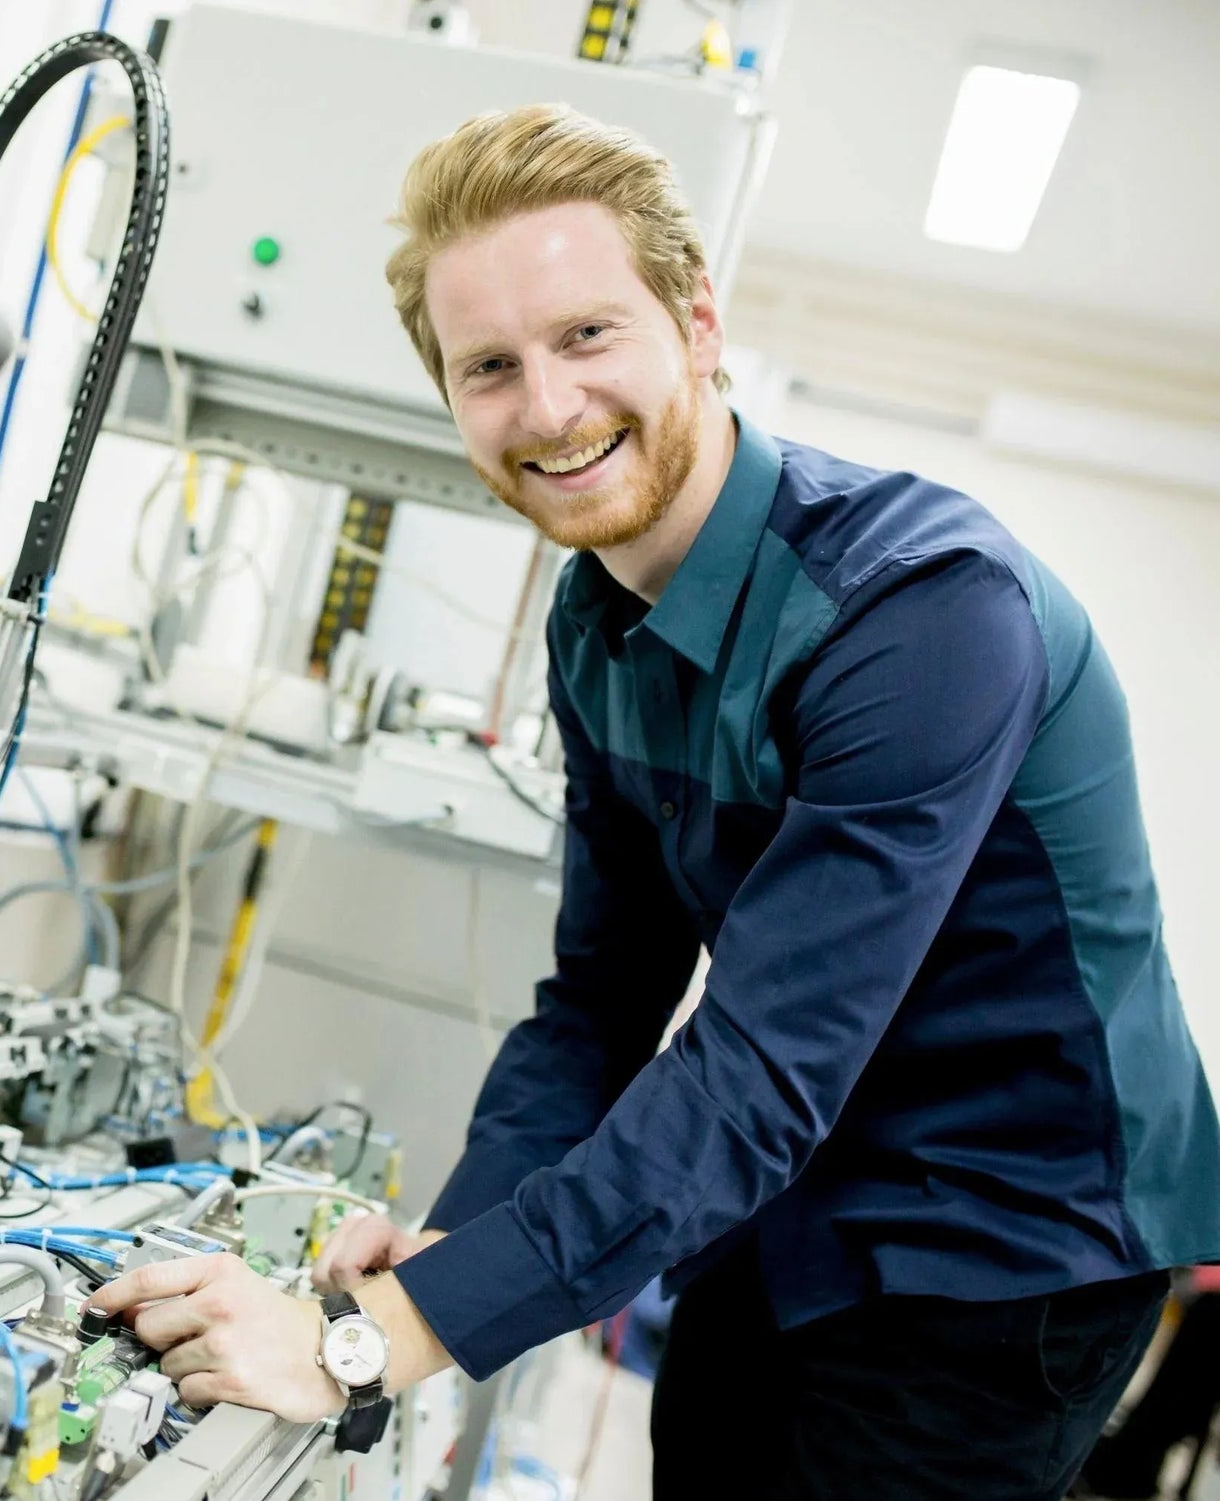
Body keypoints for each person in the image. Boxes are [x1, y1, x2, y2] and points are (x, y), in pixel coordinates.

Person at [89, 104, 1220, 1498]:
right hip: (788, 1196)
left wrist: (358, 1346)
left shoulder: (923, 612)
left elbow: (757, 1072)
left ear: (695, 323)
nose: (548, 408)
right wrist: (457, 1244)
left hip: (1007, 1237)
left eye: (585, 336)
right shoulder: (591, 625)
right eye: (488, 366)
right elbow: (607, 991)